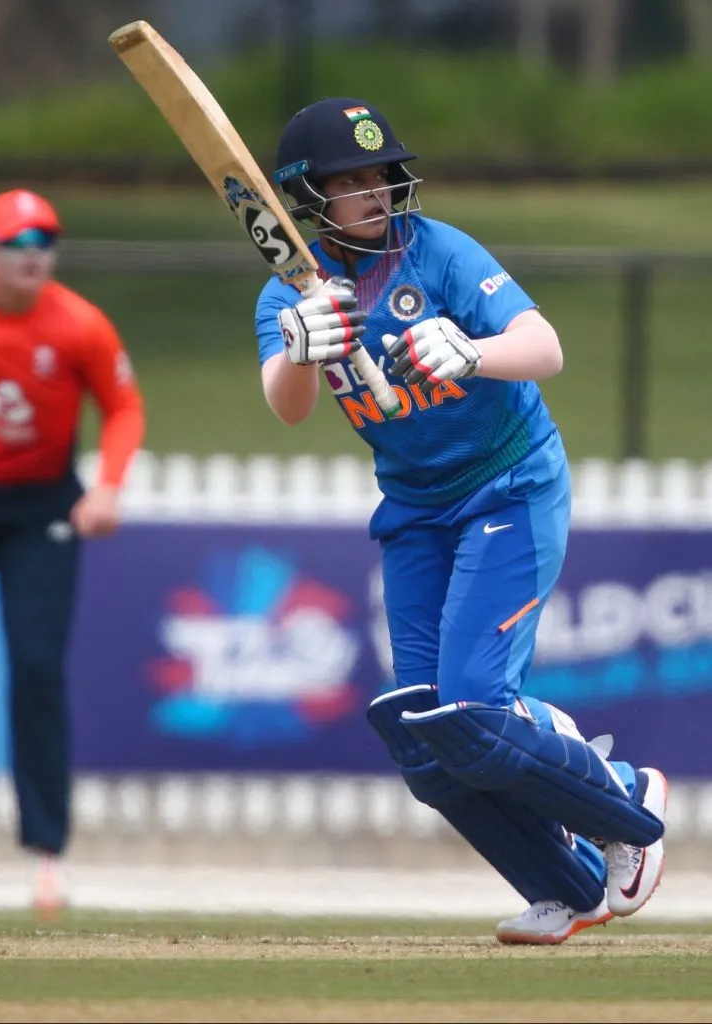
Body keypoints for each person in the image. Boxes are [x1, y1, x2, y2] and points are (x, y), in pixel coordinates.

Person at [254, 98, 668, 945]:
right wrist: (301, 347)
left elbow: (543, 346)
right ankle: (566, 886)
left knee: (474, 708)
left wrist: (471, 351)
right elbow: (286, 407)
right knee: (422, 731)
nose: (376, 192)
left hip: (509, 486)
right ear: (310, 196)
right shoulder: (292, 292)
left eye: (382, 174)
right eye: (352, 181)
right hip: (414, 509)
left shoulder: (438, 252)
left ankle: (625, 797)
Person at [0, 189, 145, 914]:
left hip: (44, 505)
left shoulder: (78, 323)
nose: (33, 252)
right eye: (16, 240)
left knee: (36, 667)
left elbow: (124, 406)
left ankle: (46, 854)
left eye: (45, 240)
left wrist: (105, 488)